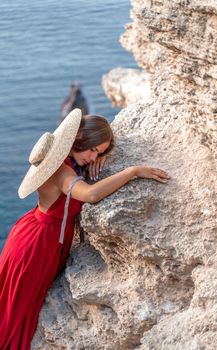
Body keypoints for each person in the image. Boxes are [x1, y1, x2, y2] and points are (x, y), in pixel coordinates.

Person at [0, 109, 170, 349]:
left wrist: (100, 155)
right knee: (14, 315)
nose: (93, 158)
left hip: (33, 230)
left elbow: (92, 149)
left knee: (10, 303)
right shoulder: (62, 171)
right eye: (93, 150)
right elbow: (90, 195)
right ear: (79, 140)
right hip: (36, 244)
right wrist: (133, 171)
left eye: (98, 153)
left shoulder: (68, 161)